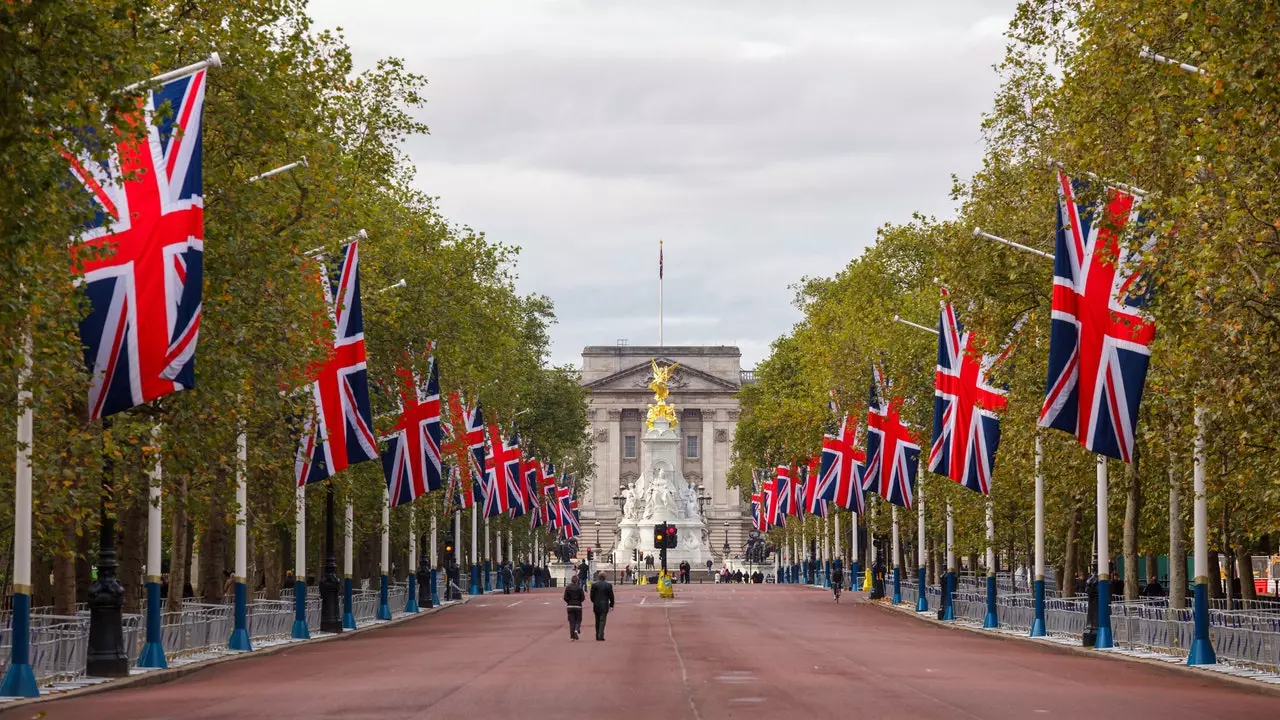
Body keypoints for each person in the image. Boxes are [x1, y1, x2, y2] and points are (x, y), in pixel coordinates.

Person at [590, 571, 615, 641]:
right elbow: (611, 596)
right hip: (604, 604)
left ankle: (597, 634)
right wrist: (611, 604)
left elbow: (591, 596)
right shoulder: (608, 585)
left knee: (597, 620)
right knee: (602, 620)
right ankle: (600, 635)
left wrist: (594, 601)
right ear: (605, 577)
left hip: (596, 604)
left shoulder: (594, 585)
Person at [563, 575, 585, 640]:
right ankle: (576, 629)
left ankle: (572, 636)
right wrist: (579, 601)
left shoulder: (568, 587)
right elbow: (582, 598)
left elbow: (565, 597)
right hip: (578, 605)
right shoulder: (579, 588)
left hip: (570, 605)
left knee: (571, 621)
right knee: (579, 619)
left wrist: (568, 602)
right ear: (577, 581)